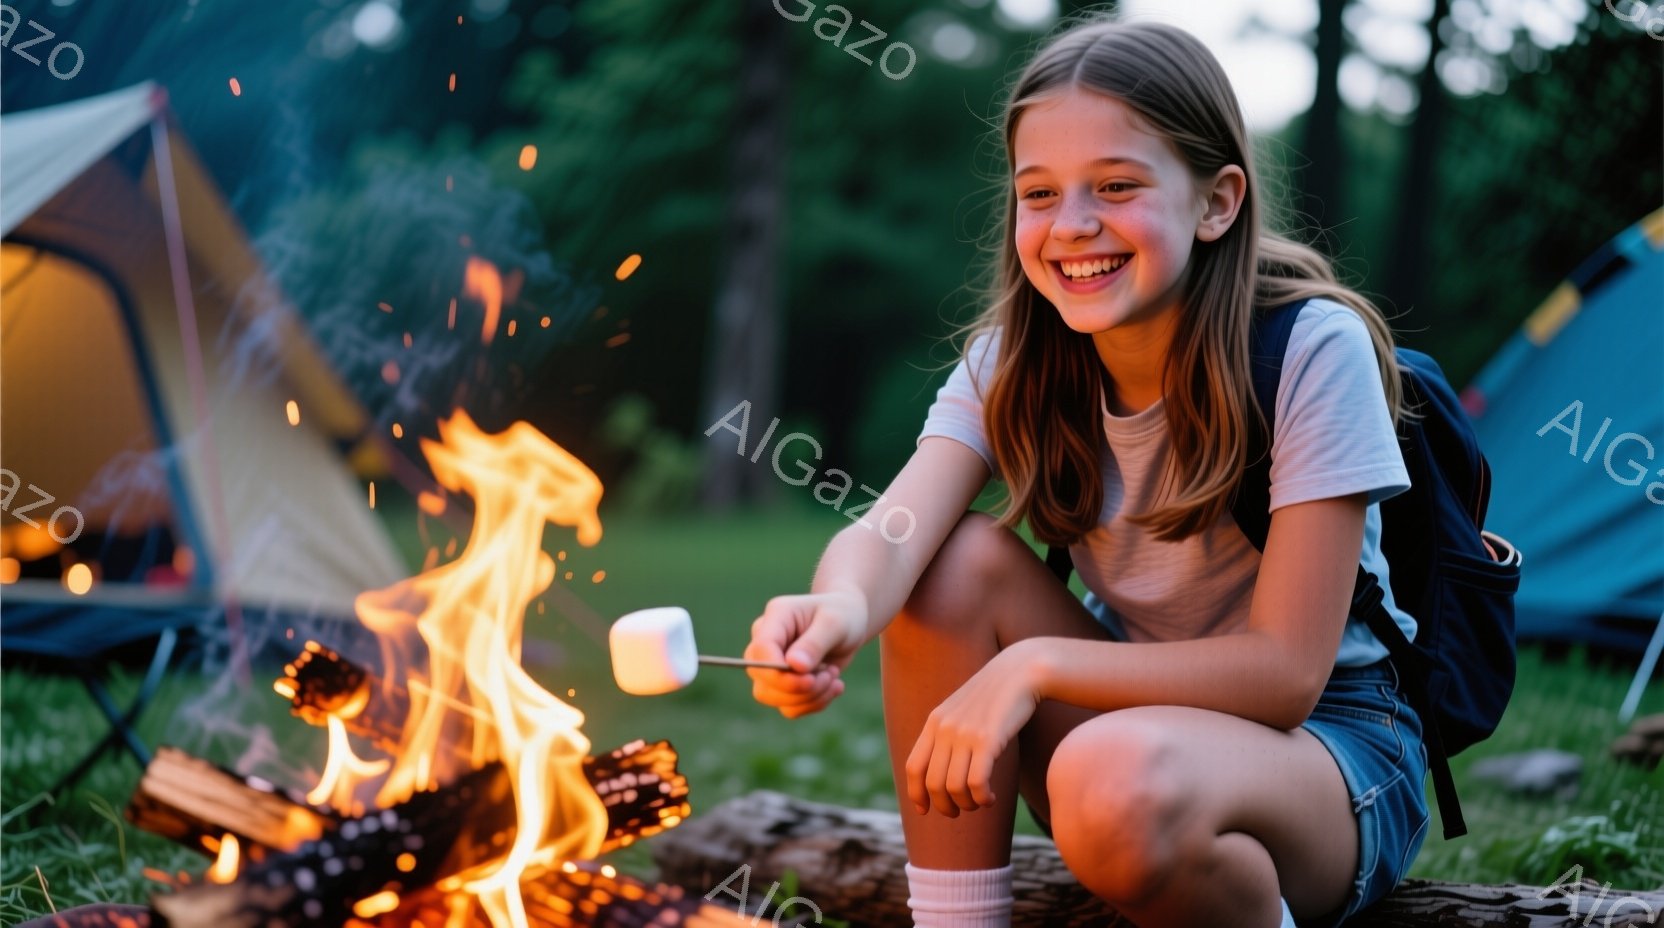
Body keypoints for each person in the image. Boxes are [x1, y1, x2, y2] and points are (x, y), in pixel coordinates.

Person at [744, 17, 1430, 928]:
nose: (1072, 226)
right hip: (1124, 725)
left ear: (1218, 201)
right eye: (1039, 193)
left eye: (1115, 185)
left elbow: (1285, 674)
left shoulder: (1309, 349)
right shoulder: (1015, 359)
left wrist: (1033, 664)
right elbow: (896, 530)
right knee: (950, 566)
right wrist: (838, 608)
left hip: (1330, 753)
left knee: (1109, 777)